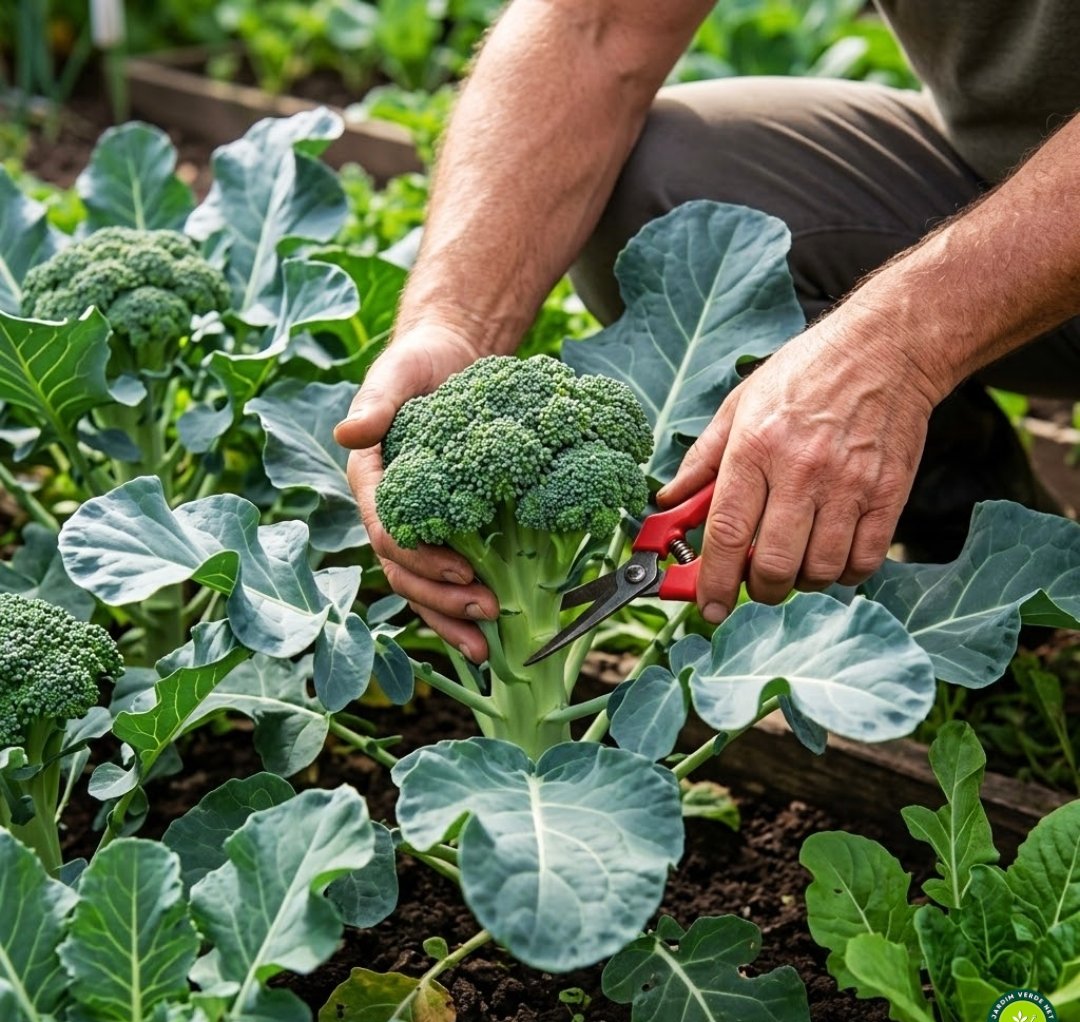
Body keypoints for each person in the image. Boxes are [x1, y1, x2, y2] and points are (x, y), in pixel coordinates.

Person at [334, 0, 1080, 665]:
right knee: (669, 187)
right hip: (1015, 182)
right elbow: (592, 26)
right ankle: (984, 556)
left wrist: (893, 348)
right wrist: (455, 323)